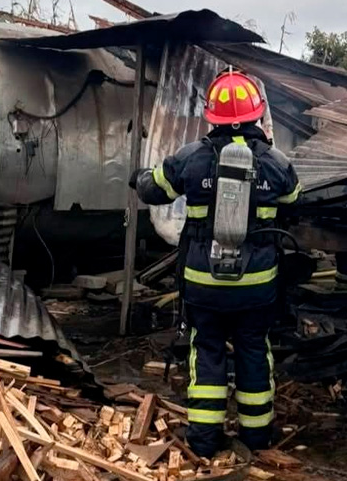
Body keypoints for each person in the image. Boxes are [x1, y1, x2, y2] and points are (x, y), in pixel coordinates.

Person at [131, 69, 302, 457]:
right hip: (257, 285)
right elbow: (295, 200)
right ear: (258, 115)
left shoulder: (192, 157)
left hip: (203, 283)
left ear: (212, 116)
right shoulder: (275, 161)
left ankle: (204, 442)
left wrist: (137, 178)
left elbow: (153, 189)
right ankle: (257, 438)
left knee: (206, 350)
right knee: (254, 350)